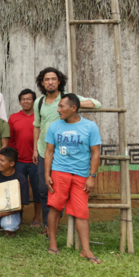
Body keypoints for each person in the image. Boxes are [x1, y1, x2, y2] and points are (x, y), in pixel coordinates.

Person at [33, 67, 101, 236]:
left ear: (59, 81)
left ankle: (54, 224)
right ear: (42, 83)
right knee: (43, 189)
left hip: (65, 152)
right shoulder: (39, 102)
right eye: (46, 79)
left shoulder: (67, 100)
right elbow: (37, 125)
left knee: (59, 190)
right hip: (44, 150)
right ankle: (48, 226)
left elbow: (96, 104)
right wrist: (35, 148)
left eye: (53, 79)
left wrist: (72, 104)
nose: (50, 82)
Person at [44, 94, 102, 264]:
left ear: (73, 108)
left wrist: (92, 176)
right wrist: (47, 174)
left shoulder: (90, 127)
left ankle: (86, 249)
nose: (58, 110)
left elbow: (95, 153)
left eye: (62, 106)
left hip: (81, 176)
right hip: (59, 173)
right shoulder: (54, 126)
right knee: (55, 207)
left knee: (81, 212)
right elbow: (48, 152)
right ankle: (53, 244)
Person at [8, 89, 41, 228]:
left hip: (36, 161)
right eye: (23, 99)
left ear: (33, 101)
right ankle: (18, 216)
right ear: (20, 101)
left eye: (28, 99)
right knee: (17, 190)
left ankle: (37, 218)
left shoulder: (39, 117)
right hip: (19, 161)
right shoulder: (13, 117)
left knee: (38, 190)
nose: (26, 102)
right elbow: (10, 140)